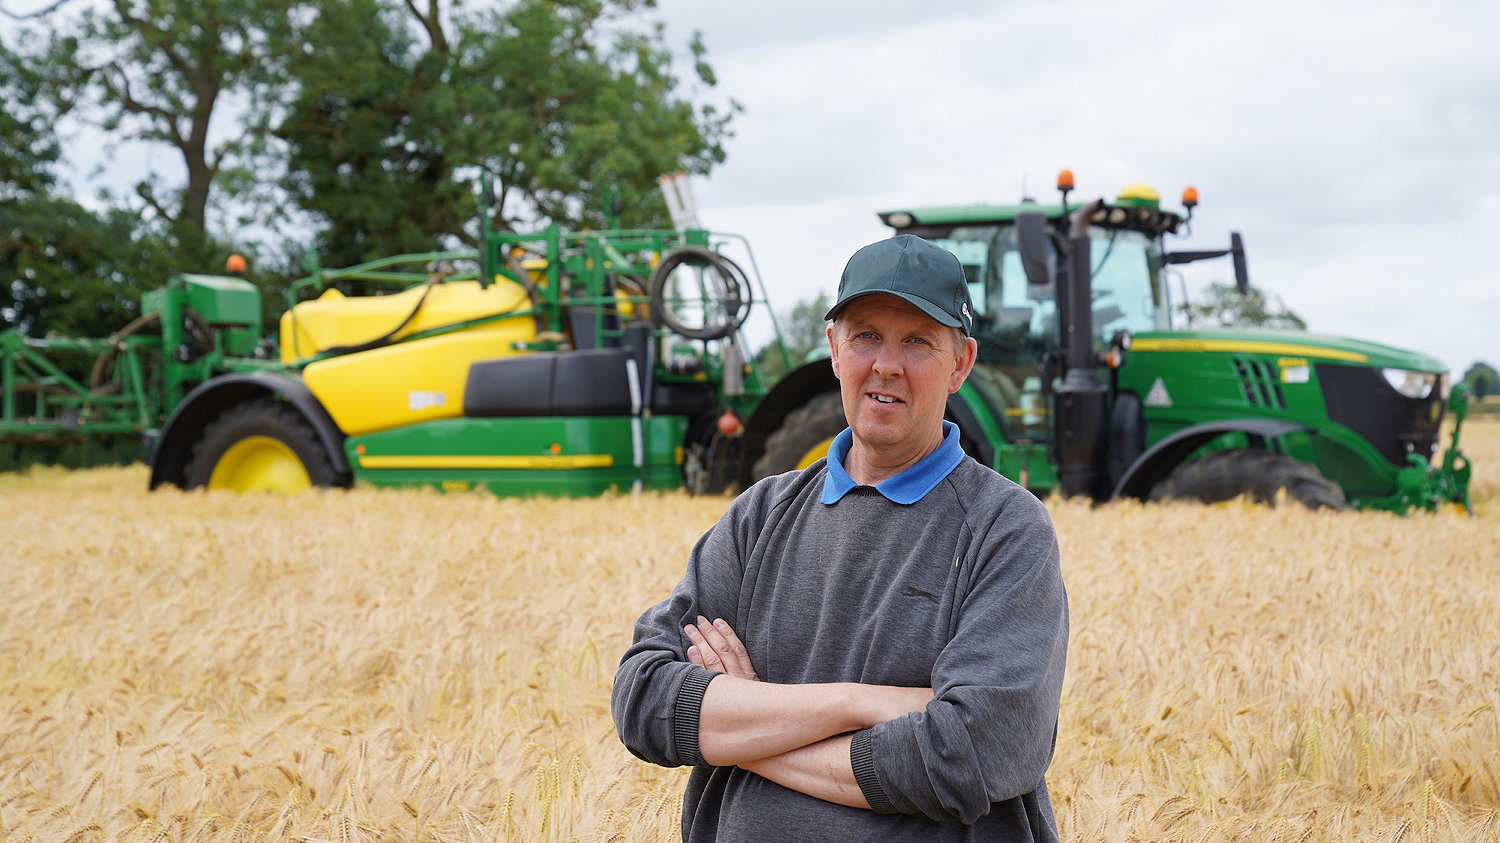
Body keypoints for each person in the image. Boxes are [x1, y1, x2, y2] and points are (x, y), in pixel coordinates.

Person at [612, 234, 1069, 841]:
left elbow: (971, 752)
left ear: (960, 364)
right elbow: (644, 700)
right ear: (833, 349)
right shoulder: (760, 516)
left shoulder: (1004, 530)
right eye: (866, 336)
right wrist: (860, 703)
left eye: (917, 341)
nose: (886, 364)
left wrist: (743, 720)